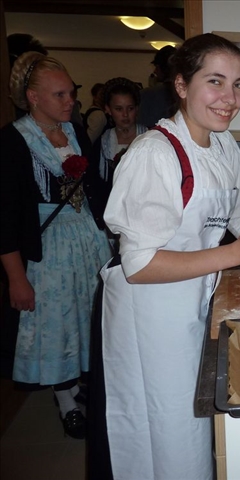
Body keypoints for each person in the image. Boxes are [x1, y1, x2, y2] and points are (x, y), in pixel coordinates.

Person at [96, 33, 240, 480]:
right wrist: (234, 254)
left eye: (238, 84)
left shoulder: (223, 144)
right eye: (216, 82)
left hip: (194, 298)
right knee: (169, 424)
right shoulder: (154, 154)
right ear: (181, 85)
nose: (231, 99)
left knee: (196, 414)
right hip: (152, 313)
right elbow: (140, 265)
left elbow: (239, 215)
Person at [0, 52, 112, 439]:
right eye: (60, 94)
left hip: (89, 240)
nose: (70, 101)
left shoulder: (76, 131)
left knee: (88, 319)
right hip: (48, 249)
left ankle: (84, 384)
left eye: (71, 93)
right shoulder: (12, 141)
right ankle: (65, 400)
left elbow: (95, 190)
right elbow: (4, 218)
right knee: (57, 325)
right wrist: (17, 278)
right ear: (33, 97)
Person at [91, 77, 147, 212]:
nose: (125, 114)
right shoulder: (102, 144)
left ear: (137, 109)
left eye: (130, 108)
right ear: (108, 109)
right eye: (118, 109)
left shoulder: (149, 138)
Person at [137, 45, 177, 128]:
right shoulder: (188, 93)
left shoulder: (145, 95)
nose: (155, 71)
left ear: (159, 68)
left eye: (156, 67)